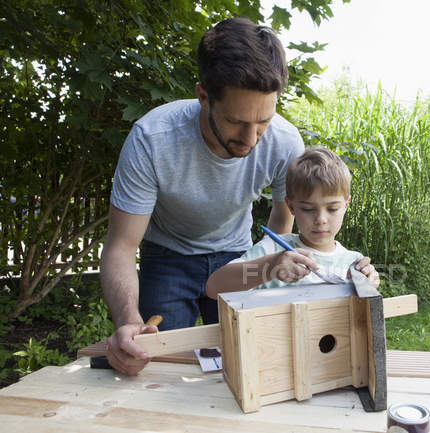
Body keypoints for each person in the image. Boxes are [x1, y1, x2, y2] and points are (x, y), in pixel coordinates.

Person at [100, 18, 378, 376]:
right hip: (168, 257)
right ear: (203, 97)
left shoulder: (285, 141)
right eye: (236, 122)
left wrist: (270, 262)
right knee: (159, 364)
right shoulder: (152, 139)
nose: (251, 138)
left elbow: (284, 221)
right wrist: (128, 322)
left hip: (238, 252)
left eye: (263, 120)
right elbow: (121, 247)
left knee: (246, 360)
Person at [205, 148, 380, 295]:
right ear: (291, 206)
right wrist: (270, 266)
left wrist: (366, 286)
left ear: (346, 205)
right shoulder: (273, 249)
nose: (320, 220)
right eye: (308, 209)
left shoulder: (353, 263)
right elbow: (214, 287)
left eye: (332, 208)